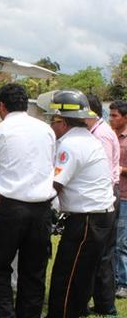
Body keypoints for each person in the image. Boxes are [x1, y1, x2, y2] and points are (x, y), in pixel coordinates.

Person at [0, 83, 56, 318]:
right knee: (34, 271)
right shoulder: (46, 130)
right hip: (42, 208)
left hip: (11, 206)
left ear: (1, 106)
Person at [46, 90, 115, 318]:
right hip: (96, 216)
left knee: (67, 273)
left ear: (62, 122)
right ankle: (75, 312)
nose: (51, 126)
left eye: (52, 120)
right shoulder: (84, 139)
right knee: (82, 272)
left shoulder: (71, 144)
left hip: (88, 219)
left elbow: (54, 186)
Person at [84, 94, 120, 315]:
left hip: (105, 197)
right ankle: (104, 305)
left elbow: (104, 172)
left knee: (99, 253)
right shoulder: (100, 131)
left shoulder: (101, 136)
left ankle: (103, 304)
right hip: (108, 195)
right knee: (102, 254)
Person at [110, 100, 127, 298]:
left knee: (122, 242)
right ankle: (113, 279)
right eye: (110, 115)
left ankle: (123, 282)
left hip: (124, 196)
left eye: (115, 115)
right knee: (111, 240)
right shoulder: (109, 136)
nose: (111, 119)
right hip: (110, 196)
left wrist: (121, 170)